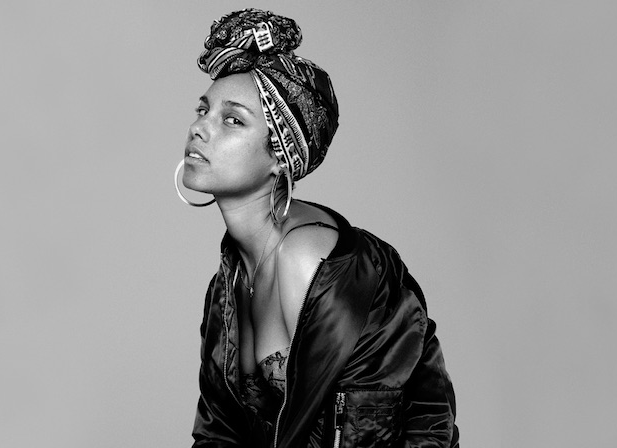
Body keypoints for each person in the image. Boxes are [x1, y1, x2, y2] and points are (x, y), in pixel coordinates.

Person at [175, 9, 459, 448]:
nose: (199, 128)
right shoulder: (227, 284)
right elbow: (218, 432)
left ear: (280, 157)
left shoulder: (312, 262)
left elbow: (369, 431)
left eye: (233, 120)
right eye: (203, 109)